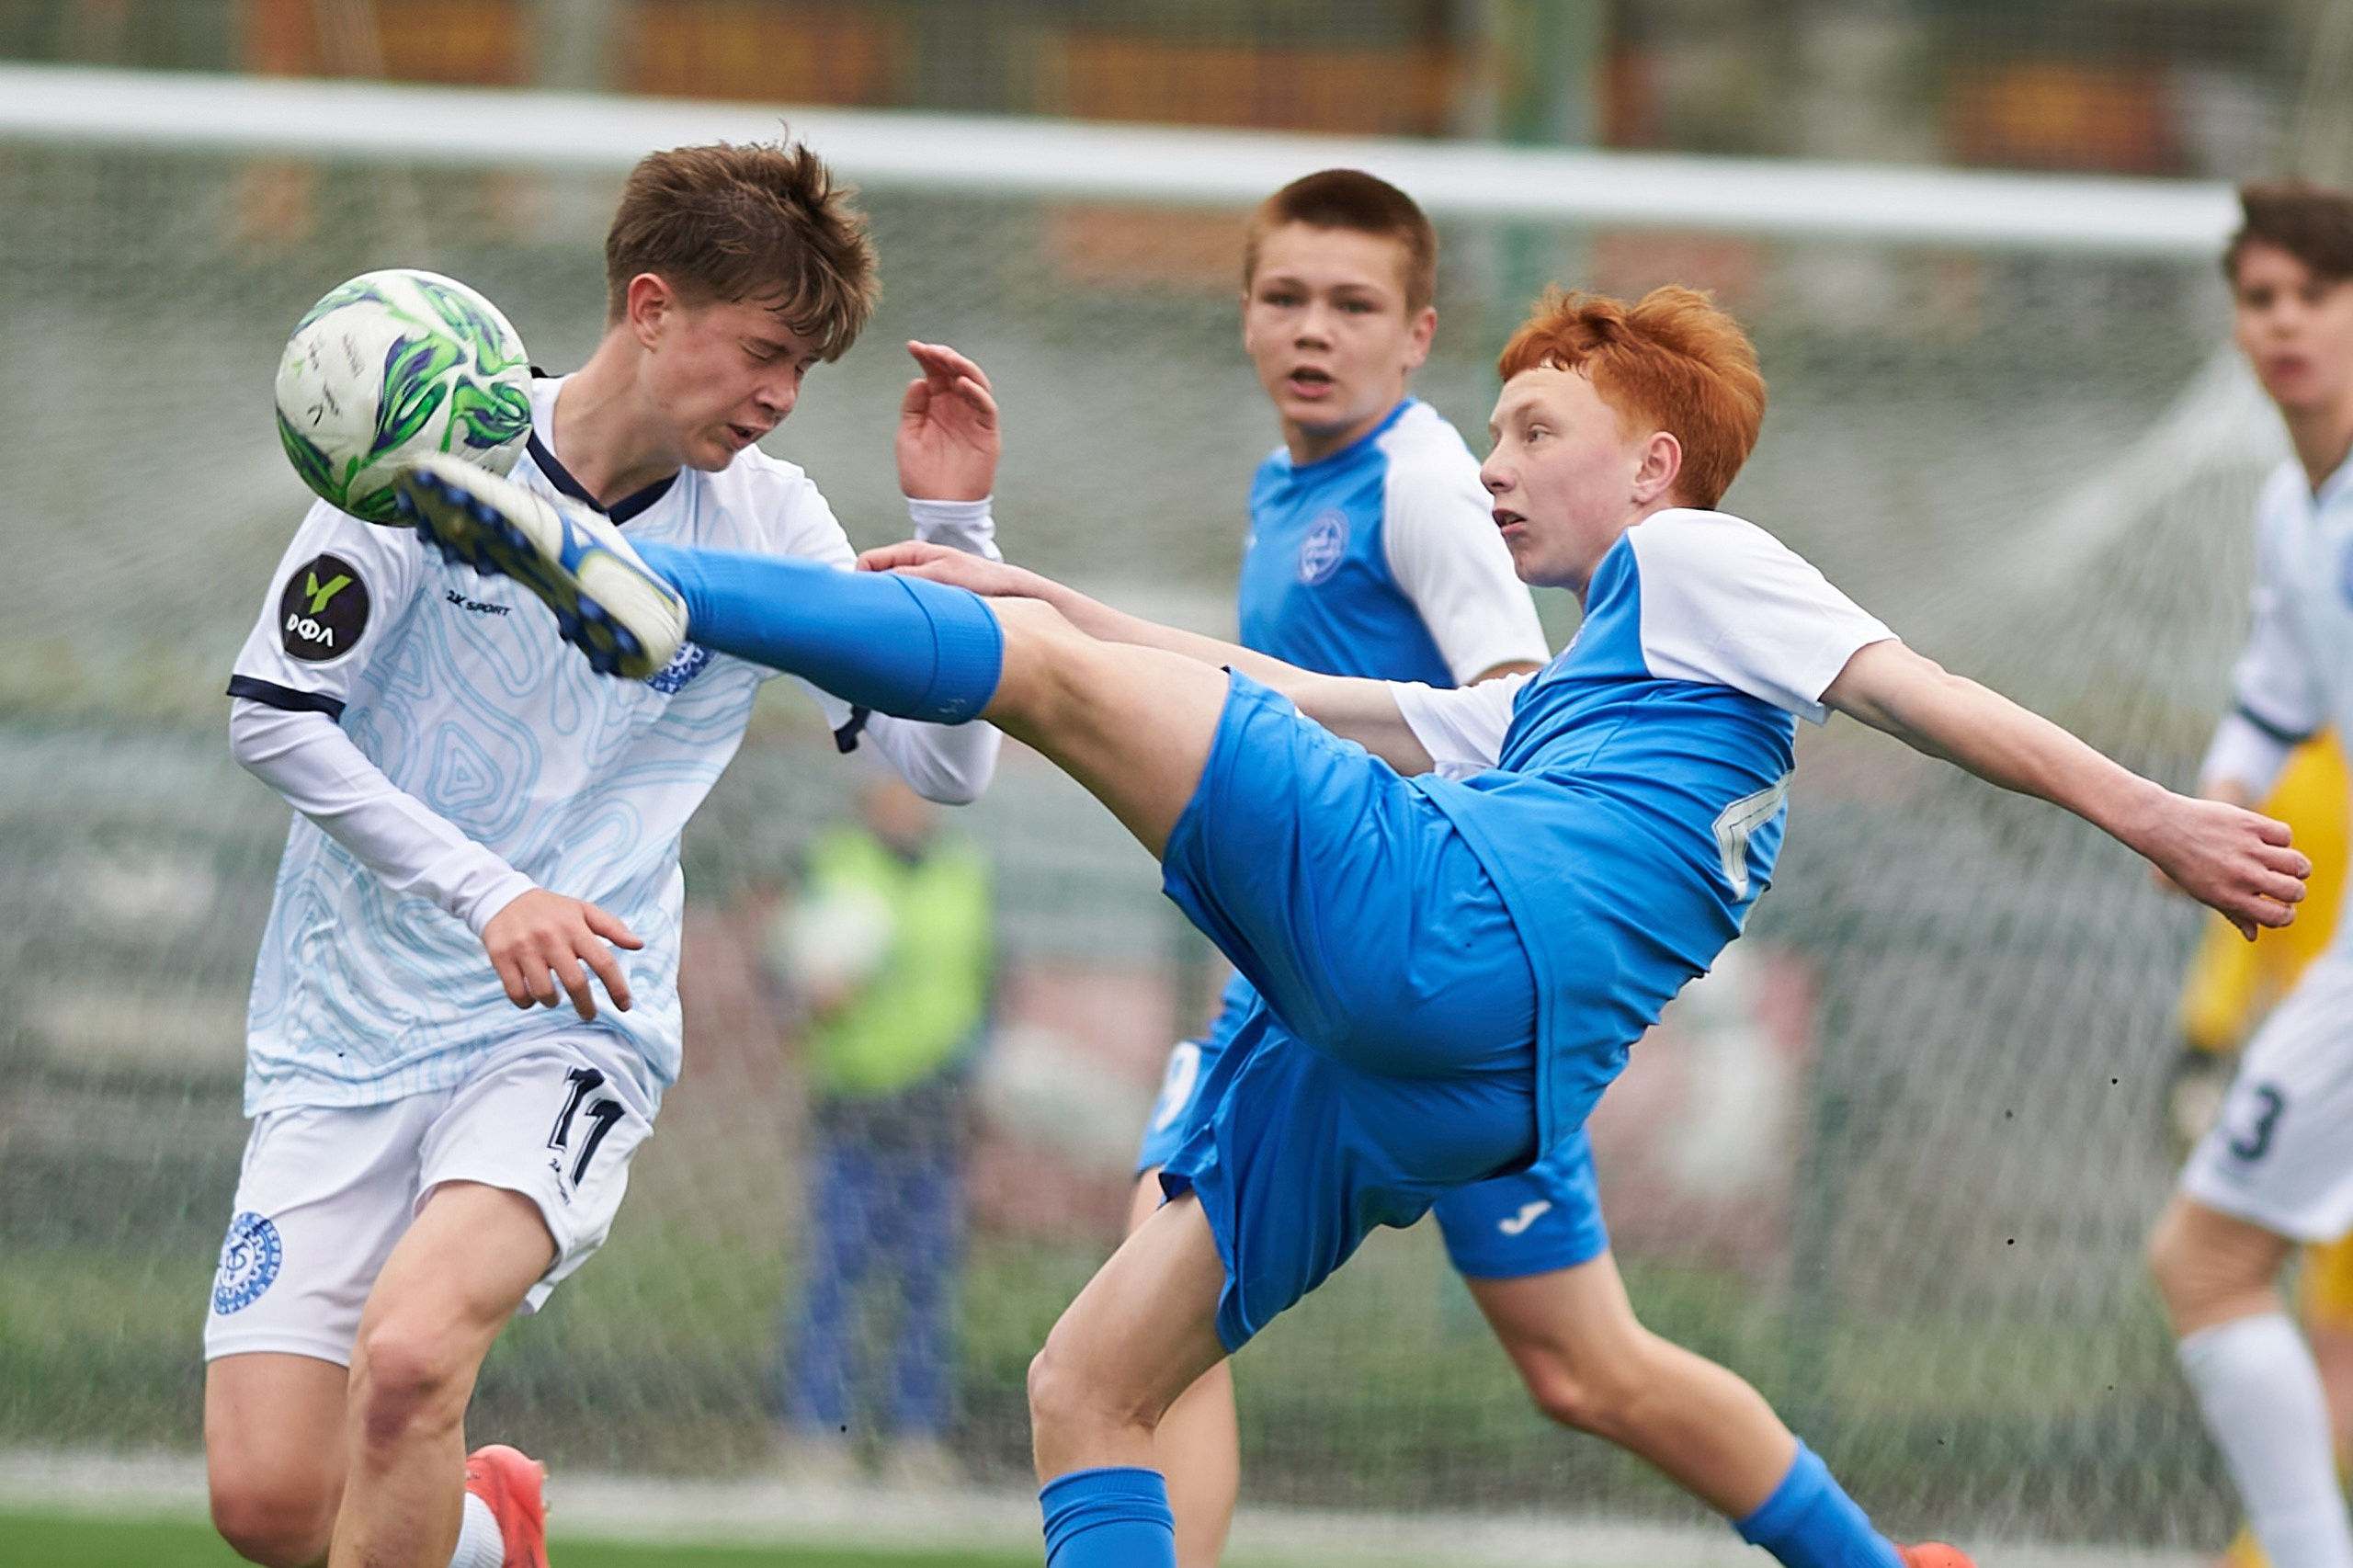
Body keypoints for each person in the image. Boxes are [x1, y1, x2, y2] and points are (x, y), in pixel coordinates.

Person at [393, 282, 2305, 1568]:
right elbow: (1290, 698)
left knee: (1042, 689)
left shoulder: (1699, 560)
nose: (1492, 460)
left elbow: (1921, 688)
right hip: (1458, 1080)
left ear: (1645, 466)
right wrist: (1063, 599)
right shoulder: (1580, 695)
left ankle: (633, 574)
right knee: (1088, 1387)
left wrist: (2147, 814)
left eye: (1533, 424)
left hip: (1448, 939)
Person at [203, 141, 1005, 1568]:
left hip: (570, 1027)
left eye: (804, 367)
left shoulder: (771, 523)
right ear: (649, 308)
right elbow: (274, 714)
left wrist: (951, 527)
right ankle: (487, 1538)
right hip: (344, 1029)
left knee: (408, 1360)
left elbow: (945, 766)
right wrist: (489, 888)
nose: (779, 394)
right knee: (269, 1502)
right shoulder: (434, 442)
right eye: (763, 349)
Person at [1138, 167, 1913, 1568]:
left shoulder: (1433, 480)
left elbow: (1513, 698)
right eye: (1286, 297)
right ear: (1243, 314)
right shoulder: (1290, 486)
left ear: (1416, 331)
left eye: (1352, 303)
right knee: (1566, 1366)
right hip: (1341, 966)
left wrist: (1411, 896)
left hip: (1437, 956)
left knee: (1558, 1363)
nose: (1316, 330)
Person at [2146, 179, 2353, 1568]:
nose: (2284, 324)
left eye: (2316, 296)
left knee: (2208, 1260)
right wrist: (2217, 797)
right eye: (2262, 299)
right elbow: (2279, 691)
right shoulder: (2298, 506)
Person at [769, 771, 994, 1485]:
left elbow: (985, 982)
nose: (909, 804)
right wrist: (810, 990)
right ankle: (815, 1436)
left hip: (935, 1109)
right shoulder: (834, 865)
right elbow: (784, 973)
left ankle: (916, 1438)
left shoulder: (965, 876)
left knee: (928, 1281)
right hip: (857, 1102)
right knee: (835, 1274)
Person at [2165, 735, 2353, 1568]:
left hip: (2324, 1086)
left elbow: (2240, 926)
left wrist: (2201, 1050)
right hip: (2319, 1088)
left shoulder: (2294, 768)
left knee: (2216, 1275)